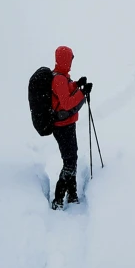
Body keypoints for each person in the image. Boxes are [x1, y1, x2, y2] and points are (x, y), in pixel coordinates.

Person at [51, 45, 93, 209]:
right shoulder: (59, 79)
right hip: (62, 126)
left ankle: (73, 194)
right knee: (69, 161)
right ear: (65, 59)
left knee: (71, 158)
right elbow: (67, 103)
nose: (71, 62)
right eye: (70, 58)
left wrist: (76, 85)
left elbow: (64, 94)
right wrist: (82, 93)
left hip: (66, 124)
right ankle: (59, 199)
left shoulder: (61, 77)